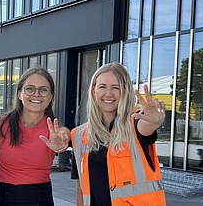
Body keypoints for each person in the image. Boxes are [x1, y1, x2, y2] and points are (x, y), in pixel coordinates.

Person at [71, 62, 166, 206]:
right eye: (102, 87)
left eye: (116, 88)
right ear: (93, 90)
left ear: (125, 91)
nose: (108, 94)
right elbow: (81, 187)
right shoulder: (79, 135)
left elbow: (146, 128)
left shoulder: (135, 123)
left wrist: (154, 122)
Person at [0, 67, 71, 206]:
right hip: (5, 200)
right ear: (19, 94)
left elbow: (63, 133)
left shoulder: (53, 128)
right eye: (30, 89)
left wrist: (64, 139)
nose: (37, 94)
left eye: (43, 90)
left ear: (51, 96)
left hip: (42, 200)